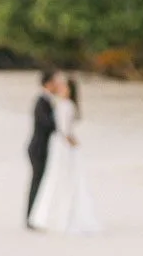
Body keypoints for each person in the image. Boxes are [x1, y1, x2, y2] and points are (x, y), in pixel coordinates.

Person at [27, 70, 100, 234]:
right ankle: (37, 217)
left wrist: (68, 139)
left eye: (62, 85)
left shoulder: (61, 104)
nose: (58, 86)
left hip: (58, 148)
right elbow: (57, 128)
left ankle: (44, 216)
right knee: (46, 181)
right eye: (56, 83)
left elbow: (62, 129)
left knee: (54, 181)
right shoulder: (46, 102)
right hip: (44, 147)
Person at [25, 68, 62, 227]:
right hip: (38, 149)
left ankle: (35, 215)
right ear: (48, 83)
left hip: (44, 148)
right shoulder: (41, 101)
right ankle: (30, 217)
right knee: (37, 182)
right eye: (56, 81)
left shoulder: (48, 101)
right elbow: (48, 125)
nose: (58, 84)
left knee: (41, 182)